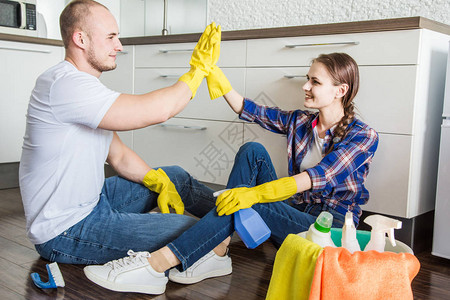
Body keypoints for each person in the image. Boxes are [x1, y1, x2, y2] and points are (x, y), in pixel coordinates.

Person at [84, 52, 379, 295]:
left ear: (340, 90)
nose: (305, 86)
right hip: (294, 210)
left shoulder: (363, 136)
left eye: (315, 81)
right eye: (307, 78)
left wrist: (254, 194)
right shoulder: (302, 121)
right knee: (252, 151)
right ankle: (220, 249)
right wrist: (217, 77)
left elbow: (316, 177)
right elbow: (251, 110)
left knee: (247, 201)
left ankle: (158, 264)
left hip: (328, 229)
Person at [19, 0, 231, 281]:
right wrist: (197, 71)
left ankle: (237, 215)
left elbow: (118, 156)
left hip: (94, 201)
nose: (119, 45)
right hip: (66, 230)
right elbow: (157, 110)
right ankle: (233, 225)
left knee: (174, 177)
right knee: (189, 230)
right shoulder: (64, 84)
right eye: (111, 37)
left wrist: (159, 182)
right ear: (80, 39)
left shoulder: (85, 88)